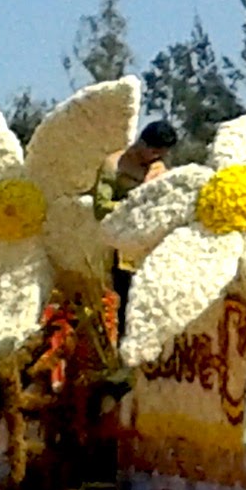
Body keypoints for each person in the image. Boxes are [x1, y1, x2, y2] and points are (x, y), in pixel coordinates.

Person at [98, 121, 178, 335]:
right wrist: (132, 205)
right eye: (152, 151)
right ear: (142, 142)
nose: (154, 158)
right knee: (121, 302)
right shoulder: (114, 165)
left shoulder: (160, 170)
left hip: (150, 248)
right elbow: (100, 207)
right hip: (118, 248)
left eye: (160, 154)